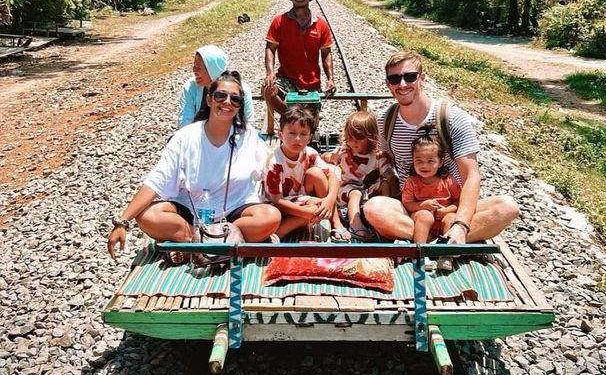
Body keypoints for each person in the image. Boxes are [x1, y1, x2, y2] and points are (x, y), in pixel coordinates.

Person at [108, 71, 280, 263]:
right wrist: (123, 222)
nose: (227, 102)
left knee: (269, 216)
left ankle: (196, 246)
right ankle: (223, 245)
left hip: (234, 211)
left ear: (240, 105)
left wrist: (314, 189)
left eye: (235, 99)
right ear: (209, 99)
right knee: (147, 216)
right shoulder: (185, 136)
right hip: (192, 212)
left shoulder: (247, 136)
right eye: (220, 96)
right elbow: (157, 180)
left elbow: (274, 165)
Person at [363, 50, 519, 244]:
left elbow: (471, 175)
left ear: (422, 79)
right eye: (394, 79)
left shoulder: (452, 118)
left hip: (452, 207)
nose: (402, 85)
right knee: (373, 208)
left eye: (409, 77)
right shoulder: (386, 121)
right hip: (414, 209)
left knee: (507, 207)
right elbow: (381, 158)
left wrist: (461, 224)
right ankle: (436, 240)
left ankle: (446, 236)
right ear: (388, 84)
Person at [263, 0, 336, 115]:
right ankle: (290, 118)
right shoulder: (279, 21)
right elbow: (270, 48)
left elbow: (326, 53)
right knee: (267, 89)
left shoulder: (321, 24)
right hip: (286, 79)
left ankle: (299, 122)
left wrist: (330, 79)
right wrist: (270, 73)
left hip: (312, 83)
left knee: (309, 122)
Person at [263, 105, 341, 240]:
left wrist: (329, 200)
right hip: (281, 208)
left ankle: (336, 222)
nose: (298, 139)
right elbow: (277, 200)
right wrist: (305, 212)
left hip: (301, 200)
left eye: (303, 134)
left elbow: (332, 176)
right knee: (315, 209)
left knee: (316, 173)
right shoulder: (274, 162)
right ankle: (280, 232)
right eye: (292, 133)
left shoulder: (309, 153)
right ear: (280, 134)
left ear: (310, 137)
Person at [322, 111, 396, 241]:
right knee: (355, 193)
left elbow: (388, 173)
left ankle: (386, 214)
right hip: (346, 191)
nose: (353, 142)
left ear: (371, 137)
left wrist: (392, 180)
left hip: (368, 192)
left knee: (384, 184)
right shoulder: (344, 150)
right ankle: (355, 224)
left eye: (359, 138)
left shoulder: (377, 155)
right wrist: (329, 157)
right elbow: (327, 157)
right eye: (350, 138)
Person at [402, 127, 461, 270]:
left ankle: (446, 254)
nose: (424, 165)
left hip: (442, 220)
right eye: (419, 161)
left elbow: (458, 201)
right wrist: (423, 205)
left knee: (452, 218)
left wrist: (447, 210)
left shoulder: (448, 180)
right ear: (413, 161)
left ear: (440, 162)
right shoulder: (412, 182)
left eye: (430, 161)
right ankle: (421, 253)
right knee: (425, 216)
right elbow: (408, 204)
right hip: (422, 220)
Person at [178, 45, 254, 128]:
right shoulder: (190, 87)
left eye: (199, 68)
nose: (194, 71)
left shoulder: (242, 90)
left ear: (212, 69)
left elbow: (248, 123)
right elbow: (184, 122)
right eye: (194, 67)